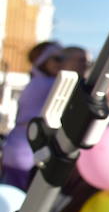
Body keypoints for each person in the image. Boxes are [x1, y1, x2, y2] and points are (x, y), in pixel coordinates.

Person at [1, 42, 64, 188]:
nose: (62, 62)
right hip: (26, 151)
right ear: (43, 60)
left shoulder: (36, 81)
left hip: (18, 148)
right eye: (57, 58)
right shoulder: (48, 84)